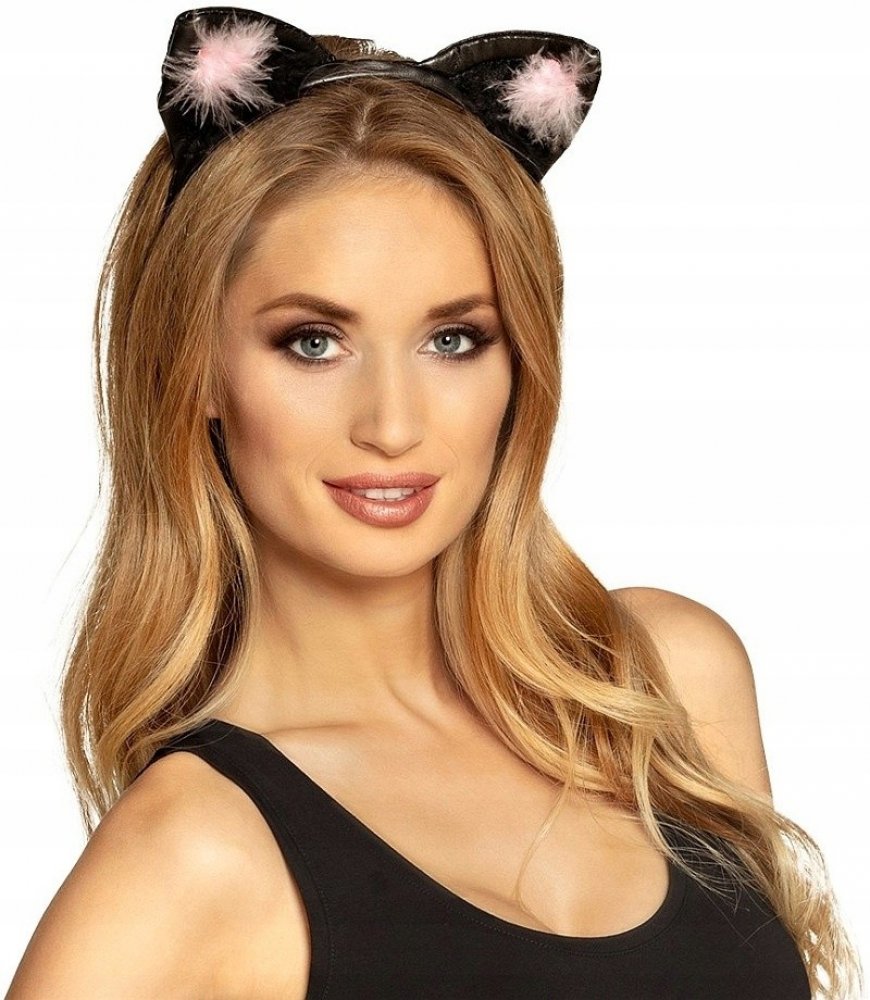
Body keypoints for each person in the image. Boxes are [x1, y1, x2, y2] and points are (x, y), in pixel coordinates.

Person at [6, 8, 862, 999]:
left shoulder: (662, 686)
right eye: (313, 343)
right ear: (196, 368)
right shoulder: (190, 855)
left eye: (454, 340)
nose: (393, 424)